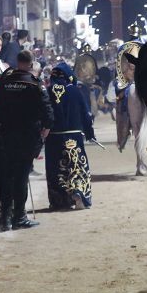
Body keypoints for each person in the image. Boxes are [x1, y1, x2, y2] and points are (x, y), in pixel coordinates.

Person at [0, 50, 54, 230]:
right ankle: (19, 216)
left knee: (7, 176)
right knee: (22, 176)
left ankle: (5, 219)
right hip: (27, 135)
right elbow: (48, 113)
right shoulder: (35, 84)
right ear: (31, 65)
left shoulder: (5, 81)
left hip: (7, 134)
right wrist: (44, 132)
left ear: (17, 62)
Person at [44, 62, 95, 211]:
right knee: (76, 166)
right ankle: (78, 193)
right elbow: (86, 114)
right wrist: (89, 133)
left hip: (54, 138)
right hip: (74, 136)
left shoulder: (48, 91)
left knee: (56, 170)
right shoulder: (75, 91)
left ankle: (60, 200)